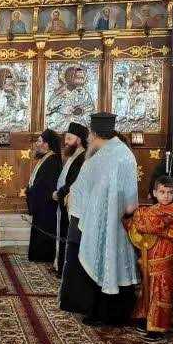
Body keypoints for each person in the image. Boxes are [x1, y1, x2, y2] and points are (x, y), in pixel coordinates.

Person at [59, 112, 139, 326]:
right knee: (115, 265)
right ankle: (118, 314)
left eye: (89, 135)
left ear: (94, 134)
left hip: (95, 226)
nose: (88, 139)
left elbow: (80, 194)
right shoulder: (126, 154)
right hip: (118, 225)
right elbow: (131, 203)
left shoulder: (95, 160)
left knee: (97, 264)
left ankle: (99, 312)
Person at [124, 176, 173, 341]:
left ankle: (157, 328)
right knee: (148, 287)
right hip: (151, 255)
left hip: (165, 257)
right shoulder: (155, 208)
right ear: (155, 193)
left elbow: (149, 225)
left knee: (161, 290)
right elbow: (137, 221)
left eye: (170, 192)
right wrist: (138, 216)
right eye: (162, 192)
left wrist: (138, 215)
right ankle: (145, 319)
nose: (166, 196)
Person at [53, 122, 87, 273]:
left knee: (68, 236)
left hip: (72, 205)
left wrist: (59, 193)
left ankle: (65, 269)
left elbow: (74, 182)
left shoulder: (82, 158)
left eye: (69, 138)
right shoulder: (74, 156)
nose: (65, 142)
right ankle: (60, 266)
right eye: (65, 138)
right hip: (65, 203)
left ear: (78, 140)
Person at [26, 129, 62, 264]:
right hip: (41, 205)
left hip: (47, 206)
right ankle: (38, 256)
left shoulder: (52, 160)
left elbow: (46, 185)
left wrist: (32, 191)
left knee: (44, 232)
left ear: (47, 144)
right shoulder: (46, 158)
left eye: (39, 141)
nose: (37, 143)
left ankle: (43, 257)